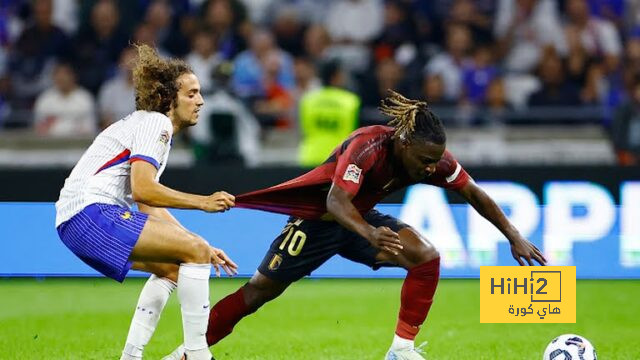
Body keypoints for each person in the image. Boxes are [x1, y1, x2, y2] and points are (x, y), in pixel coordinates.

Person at [166, 90, 547, 360]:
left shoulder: (435, 160)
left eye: (435, 160)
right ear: (403, 142)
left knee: (426, 257)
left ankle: (401, 349)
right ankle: (189, 351)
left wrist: (514, 236)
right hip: (321, 219)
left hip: (361, 220)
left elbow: (474, 193)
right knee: (258, 292)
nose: (431, 168)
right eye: (425, 159)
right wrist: (368, 233)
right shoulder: (367, 147)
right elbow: (335, 200)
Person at [54, 44, 236, 360]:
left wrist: (197, 241)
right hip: (91, 213)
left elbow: (148, 206)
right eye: (191, 94)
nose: (200, 101)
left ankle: (132, 357)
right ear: (169, 98)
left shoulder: (144, 124)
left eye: (199, 93)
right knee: (193, 254)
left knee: (171, 267)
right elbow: (143, 190)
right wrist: (203, 203)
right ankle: (197, 353)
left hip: (74, 221)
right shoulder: (157, 124)